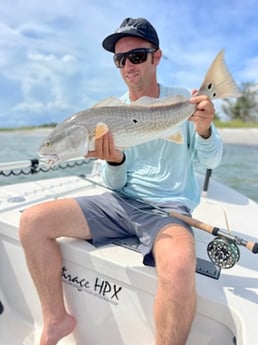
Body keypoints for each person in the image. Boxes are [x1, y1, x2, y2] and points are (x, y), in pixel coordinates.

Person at [19, 17, 223, 345]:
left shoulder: (183, 102)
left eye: (137, 56)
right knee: (32, 222)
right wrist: (115, 160)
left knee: (179, 266)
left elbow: (212, 161)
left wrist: (204, 128)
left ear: (156, 57)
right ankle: (57, 319)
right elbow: (114, 185)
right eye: (120, 59)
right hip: (118, 203)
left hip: (167, 210)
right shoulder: (108, 112)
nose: (128, 65)